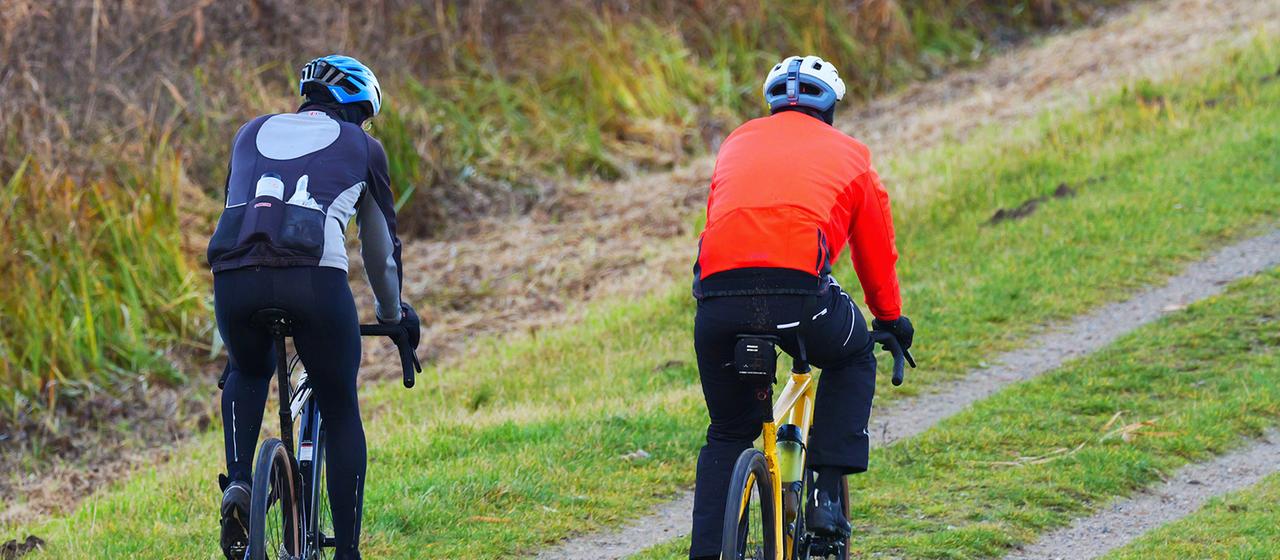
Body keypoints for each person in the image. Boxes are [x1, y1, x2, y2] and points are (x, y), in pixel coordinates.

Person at [687, 55, 914, 559]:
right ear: (831, 108)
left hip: (718, 299)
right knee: (853, 354)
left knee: (728, 432)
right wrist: (890, 319)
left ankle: (708, 551)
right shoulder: (852, 155)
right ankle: (826, 502)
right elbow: (875, 250)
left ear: (771, 106)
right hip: (798, 294)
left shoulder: (735, 143)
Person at [206, 54, 419, 560]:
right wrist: (392, 317)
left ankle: (239, 482)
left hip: (234, 278)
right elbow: (380, 253)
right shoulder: (362, 146)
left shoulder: (249, 132)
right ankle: (347, 552)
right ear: (357, 105)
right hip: (313, 281)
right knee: (340, 404)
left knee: (247, 368)